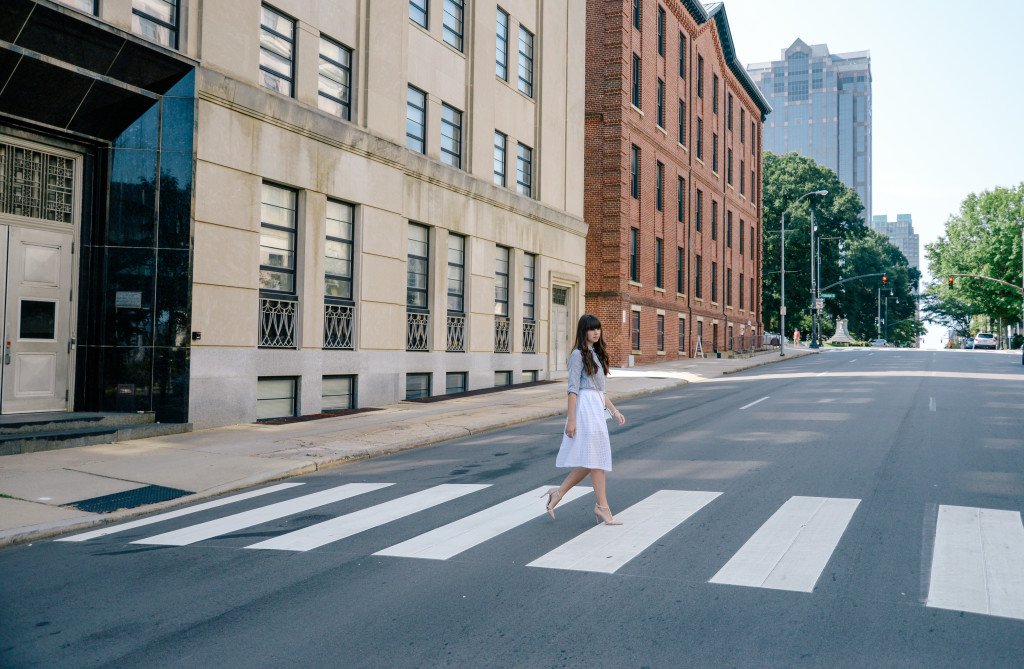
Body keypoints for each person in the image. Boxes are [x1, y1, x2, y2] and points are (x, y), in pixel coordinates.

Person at [542, 313, 626, 525]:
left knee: (592, 459)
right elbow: (572, 390)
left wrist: (615, 411)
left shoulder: (596, 354)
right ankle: (603, 508)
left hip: (595, 408)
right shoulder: (578, 355)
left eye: (598, 328)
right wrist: (571, 421)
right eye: (591, 329)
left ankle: (558, 494)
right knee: (595, 459)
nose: (596, 332)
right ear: (583, 331)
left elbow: (601, 391)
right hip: (584, 411)